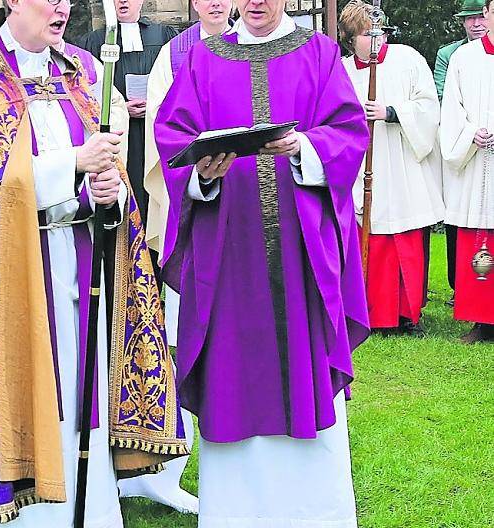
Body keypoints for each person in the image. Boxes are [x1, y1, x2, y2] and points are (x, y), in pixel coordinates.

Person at [0, 1, 188, 526]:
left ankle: (91, 512)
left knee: (83, 405)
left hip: (81, 271)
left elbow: (111, 173)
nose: (62, 7)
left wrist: (111, 192)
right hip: (6, 285)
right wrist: (70, 165)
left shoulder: (78, 73)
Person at [153, 0, 370, 526]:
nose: (255, 2)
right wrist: (203, 173)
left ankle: (312, 513)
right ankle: (236, 514)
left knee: (304, 369)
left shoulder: (319, 55)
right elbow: (173, 138)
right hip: (230, 257)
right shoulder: (204, 60)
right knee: (233, 373)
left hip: (298, 258)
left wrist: (302, 146)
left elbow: (348, 134)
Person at [339, 0, 444, 336]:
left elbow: (428, 106)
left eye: (379, 31)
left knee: (403, 241)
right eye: (367, 35)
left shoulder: (407, 59)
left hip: (400, 168)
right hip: (360, 169)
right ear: (350, 38)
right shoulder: (340, 71)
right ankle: (365, 313)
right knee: (363, 240)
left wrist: (392, 112)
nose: (376, 39)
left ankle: (404, 314)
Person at [76, 0, 177, 273]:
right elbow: (84, 94)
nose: (123, 1)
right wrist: (121, 108)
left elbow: (176, 85)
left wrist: (154, 104)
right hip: (119, 140)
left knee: (151, 198)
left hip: (154, 137)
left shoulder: (164, 37)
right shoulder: (93, 42)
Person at [144, 0, 233, 260]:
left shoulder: (253, 45)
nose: (215, 3)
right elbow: (159, 117)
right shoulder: (172, 53)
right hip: (195, 172)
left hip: (245, 169)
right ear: (194, 4)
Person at [439, 0, 494, 343]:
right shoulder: (465, 58)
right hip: (477, 160)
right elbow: (452, 107)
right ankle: (481, 319)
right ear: (488, 15)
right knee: (478, 239)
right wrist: (469, 134)